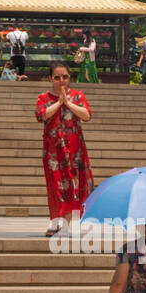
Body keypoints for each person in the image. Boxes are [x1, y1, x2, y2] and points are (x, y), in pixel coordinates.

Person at [35, 60, 94, 237]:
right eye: (57, 77)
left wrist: (68, 103)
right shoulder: (44, 98)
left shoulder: (77, 95)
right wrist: (60, 102)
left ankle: (69, 223)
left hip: (75, 146)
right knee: (56, 184)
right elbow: (42, 115)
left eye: (65, 77)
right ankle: (55, 221)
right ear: (50, 78)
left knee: (75, 183)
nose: (61, 81)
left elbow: (86, 115)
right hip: (54, 149)